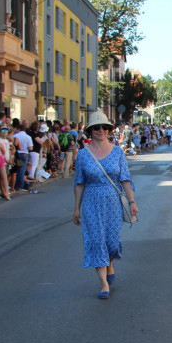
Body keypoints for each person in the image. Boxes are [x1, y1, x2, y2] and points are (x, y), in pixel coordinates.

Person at [73, 111, 138, 299]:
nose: (100, 130)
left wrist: (132, 202)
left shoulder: (117, 152)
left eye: (104, 127)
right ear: (90, 131)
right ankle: (103, 284)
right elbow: (79, 183)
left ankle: (110, 264)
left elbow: (125, 178)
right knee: (96, 241)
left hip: (113, 201)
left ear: (109, 130)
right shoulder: (83, 155)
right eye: (96, 128)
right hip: (91, 201)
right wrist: (76, 208)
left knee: (111, 241)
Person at [11, 120, 31, 192]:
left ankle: (16, 185)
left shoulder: (15, 136)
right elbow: (31, 147)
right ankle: (20, 185)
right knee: (22, 170)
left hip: (17, 154)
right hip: (24, 154)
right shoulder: (28, 137)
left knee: (17, 170)